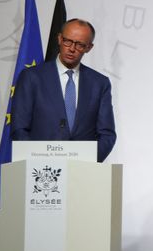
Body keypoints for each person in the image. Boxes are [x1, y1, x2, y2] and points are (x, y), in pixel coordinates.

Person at [10, 17, 116, 161]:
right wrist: (38, 160)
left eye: (80, 45)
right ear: (59, 39)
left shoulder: (99, 83)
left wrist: (88, 162)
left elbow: (107, 134)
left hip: (82, 169)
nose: (72, 48)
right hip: (40, 169)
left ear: (89, 47)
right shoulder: (32, 77)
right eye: (68, 41)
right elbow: (19, 128)